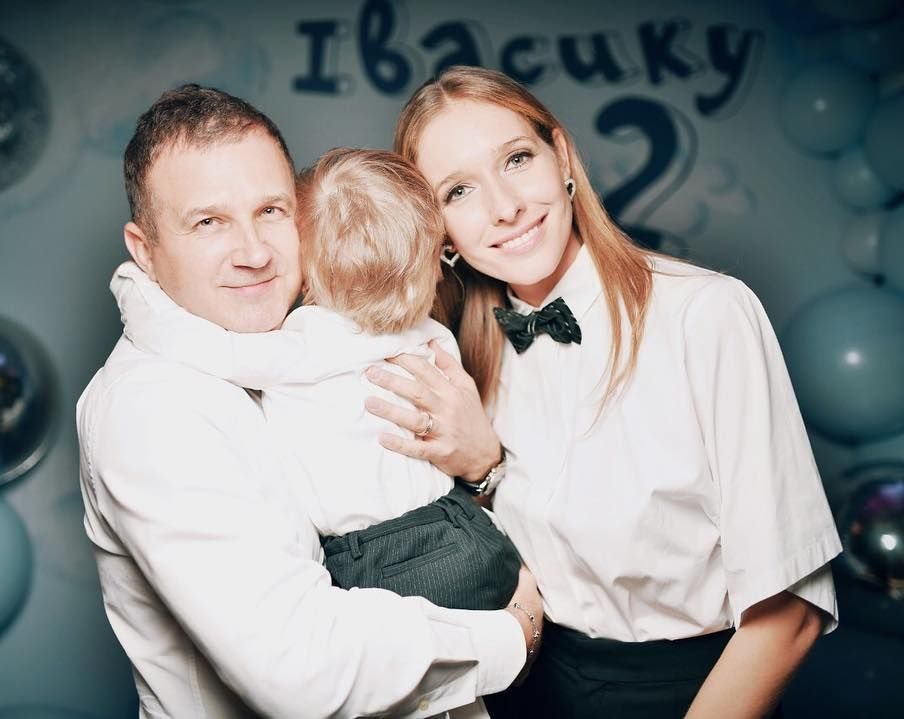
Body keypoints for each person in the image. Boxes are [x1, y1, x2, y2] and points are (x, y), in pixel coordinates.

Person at [360, 65, 841, 718]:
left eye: (517, 159)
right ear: (436, 226)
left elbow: (790, 616)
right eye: (459, 190)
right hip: (529, 688)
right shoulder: (456, 354)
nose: (504, 207)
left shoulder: (707, 315)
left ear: (561, 156)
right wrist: (483, 468)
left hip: (692, 693)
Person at [76, 84, 541, 719]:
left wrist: (480, 464)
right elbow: (301, 669)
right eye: (208, 222)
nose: (254, 254)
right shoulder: (153, 408)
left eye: (271, 211)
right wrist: (512, 635)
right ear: (144, 251)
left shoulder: (315, 342)